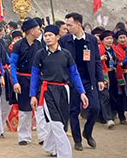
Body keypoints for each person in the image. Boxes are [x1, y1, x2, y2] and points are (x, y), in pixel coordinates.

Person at [30, 25, 89, 158]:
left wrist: (82, 92)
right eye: (45, 35)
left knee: (61, 122)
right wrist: (33, 95)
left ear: (57, 37)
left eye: (50, 35)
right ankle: (65, 154)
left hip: (63, 90)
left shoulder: (66, 54)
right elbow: (34, 75)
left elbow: (74, 74)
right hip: (46, 91)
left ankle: (49, 146)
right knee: (56, 122)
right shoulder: (40, 54)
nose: (47, 38)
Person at [59, 13, 105, 151]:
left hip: (88, 80)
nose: (67, 28)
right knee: (73, 111)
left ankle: (88, 132)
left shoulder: (91, 40)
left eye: (70, 25)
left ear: (79, 25)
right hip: (72, 81)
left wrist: (100, 79)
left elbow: (96, 60)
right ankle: (77, 140)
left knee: (95, 107)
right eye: (66, 25)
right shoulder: (64, 40)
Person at [10, 18, 47, 145]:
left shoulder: (41, 45)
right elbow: (13, 65)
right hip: (23, 80)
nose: (39, 31)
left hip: (38, 80)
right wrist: (15, 82)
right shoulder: (18, 45)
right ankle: (24, 137)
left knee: (40, 109)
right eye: (37, 29)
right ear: (31, 31)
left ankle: (43, 137)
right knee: (24, 110)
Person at [97, 30, 116, 129]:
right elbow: (94, 61)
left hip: (113, 74)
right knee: (105, 96)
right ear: (102, 41)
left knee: (112, 95)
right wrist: (100, 59)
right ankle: (108, 119)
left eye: (111, 38)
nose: (109, 40)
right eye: (107, 39)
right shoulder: (98, 50)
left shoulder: (113, 49)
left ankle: (105, 116)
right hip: (103, 75)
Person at [111, 30, 127, 124]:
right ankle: (121, 116)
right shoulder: (114, 50)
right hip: (119, 75)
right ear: (117, 40)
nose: (122, 39)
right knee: (120, 96)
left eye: (124, 37)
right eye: (120, 38)